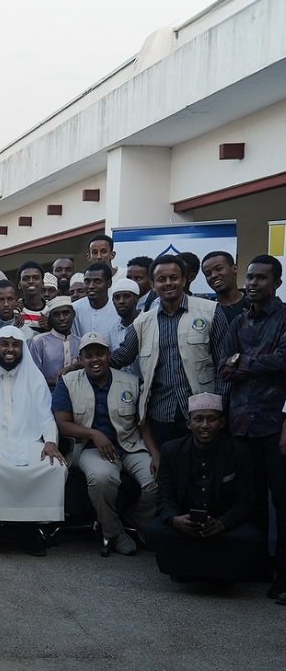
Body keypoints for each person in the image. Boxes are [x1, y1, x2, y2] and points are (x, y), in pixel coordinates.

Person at [0, 327, 67, 556]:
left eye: (15, 345)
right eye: (5, 344)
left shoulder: (34, 377)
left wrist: (50, 441)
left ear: (22, 348)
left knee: (53, 466)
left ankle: (28, 529)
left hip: (26, 440)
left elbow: (46, 415)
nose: (10, 349)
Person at [52, 332, 157, 555]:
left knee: (155, 479)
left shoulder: (129, 381)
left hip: (129, 444)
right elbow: (62, 423)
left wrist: (154, 453)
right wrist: (93, 434)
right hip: (89, 449)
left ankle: (137, 519)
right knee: (102, 478)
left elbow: (142, 423)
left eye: (100, 353)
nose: (95, 359)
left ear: (109, 355)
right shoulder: (68, 382)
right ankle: (114, 531)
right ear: (80, 358)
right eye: (88, 355)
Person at [111, 254, 231, 448]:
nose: (168, 283)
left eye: (173, 278)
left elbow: (224, 366)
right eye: (161, 279)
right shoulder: (142, 322)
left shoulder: (210, 312)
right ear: (152, 284)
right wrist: (81, 364)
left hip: (202, 415)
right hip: (161, 414)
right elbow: (122, 356)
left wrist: (217, 407)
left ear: (184, 280)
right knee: (169, 473)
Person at [220, 254, 286, 602]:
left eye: (261, 278)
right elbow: (223, 367)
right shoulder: (239, 322)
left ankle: (284, 576)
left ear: (276, 283)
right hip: (241, 424)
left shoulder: (285, 317)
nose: (252, 283)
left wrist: (244, 362)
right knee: (252, 501)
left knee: (283, 502)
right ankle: (258, 566)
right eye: (250, 277)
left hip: (276, 425)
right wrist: (259, 363)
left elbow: (285, 360)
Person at [144, 393, 262, 585]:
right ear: (189, 424)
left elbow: (245, 501)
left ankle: (221, 574)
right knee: (154, 531)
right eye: (198, 419)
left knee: (251, 537)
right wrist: (175, 520)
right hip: (185, 522)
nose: (205, 426)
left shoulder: (238, 451)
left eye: (211, 419)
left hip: (222, 523)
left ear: (222, 422)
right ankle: (185, 569)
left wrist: (222, 523)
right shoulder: (171, 450)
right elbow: (165, 497)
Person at [28, 296, 80, 389]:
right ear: (50, 318)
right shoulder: (39, 342)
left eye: (66, 313)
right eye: (56, 315)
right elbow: (32, 376)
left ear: (73, 314)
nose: (62, 318)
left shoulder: (80, 342)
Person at [0, 280, 34, 349]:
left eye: (10, 299)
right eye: (1, 300)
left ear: (16, 300)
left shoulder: (27, 332)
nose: (6, 304)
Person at [72, 262, 120, 338]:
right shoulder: (75, 308)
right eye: (87, 281)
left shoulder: (118, 308)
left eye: (97, 281)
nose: (91, 286)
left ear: (109, 283)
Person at [202, 251, 249, 322]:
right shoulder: (206, 310)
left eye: (219, 269)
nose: (213, 275)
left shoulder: (254, 305)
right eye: (208, 273)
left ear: (234, 269)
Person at [108, 279, 140, 376]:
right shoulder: (112, 329)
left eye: (126, 296)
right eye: (117, 298)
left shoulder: (147, 322)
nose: (121, 301)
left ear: (136, 298)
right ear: (113, 301)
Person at [17, 261, 48, 330]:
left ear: (42, 283)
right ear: (19, 285)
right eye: (26, 279)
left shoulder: (51, 310)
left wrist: (52, 327)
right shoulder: (14, 311)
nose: (31, 281)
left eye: (36, 278)